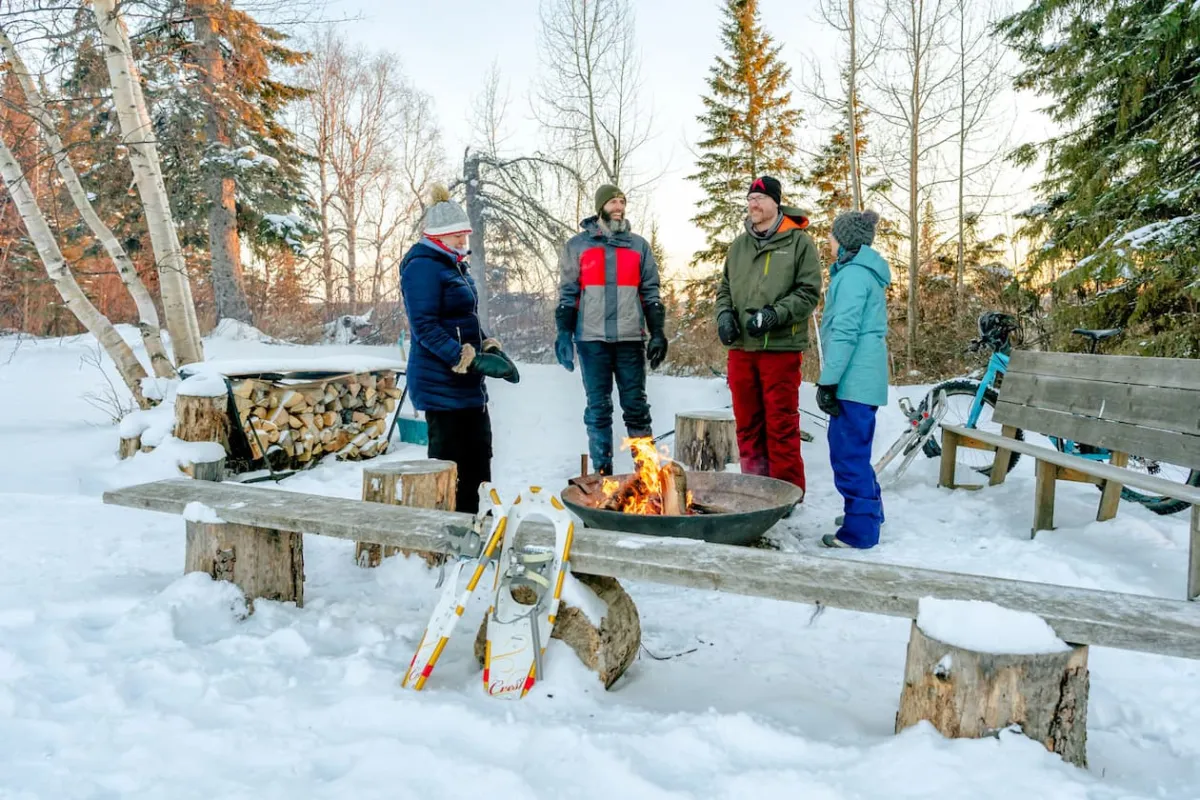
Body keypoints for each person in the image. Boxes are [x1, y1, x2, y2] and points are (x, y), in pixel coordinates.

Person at [399, 185, 519, 514]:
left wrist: (486, 344)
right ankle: (451, 527)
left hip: (467, 383)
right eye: (457, 237)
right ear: (438, 236)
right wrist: (463, 357)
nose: (463, 244)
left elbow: (465, 318)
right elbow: (424, 326)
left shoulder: (454, 266)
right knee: (450, 462)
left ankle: (478, 520)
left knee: (480, 454)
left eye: (465, 236)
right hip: (440, 381)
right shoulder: (422, 266)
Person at [715, 176, 821, 495]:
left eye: (760, 198)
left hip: (780, 347)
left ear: (776, 202)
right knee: (747, 423)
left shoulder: (799, 242)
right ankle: (755, 488)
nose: (753, 204)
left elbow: (808, 292)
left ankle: (786, 492)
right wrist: (723, 316)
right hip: (742, 349)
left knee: (780, 424)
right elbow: (724, 289)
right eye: (750, 199)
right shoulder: (739, 245)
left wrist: (775, 314)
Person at [554, 184, 667, 476]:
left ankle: (647, 477)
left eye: (622, 202)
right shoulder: (577, 246)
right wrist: (564, 333)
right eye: (612, 202)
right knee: (598, 409)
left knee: (636, 408)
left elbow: (651, 293)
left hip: (630, 339)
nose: (618, 207)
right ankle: (603, 474)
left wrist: (657, 333)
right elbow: (568, 294)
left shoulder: (639, 246)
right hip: (592, 341)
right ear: (600, 207)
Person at [816, 209, 890, 549]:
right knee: (855, 451)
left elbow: (845, 333)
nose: (828, 241)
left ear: (845, 240)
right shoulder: (862, 273)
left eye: (832, 236)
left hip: (852, 381)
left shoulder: (852, 277)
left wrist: (828, 381)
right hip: (863, 379)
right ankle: (869, 513)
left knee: (847, 455)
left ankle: (860, 531)